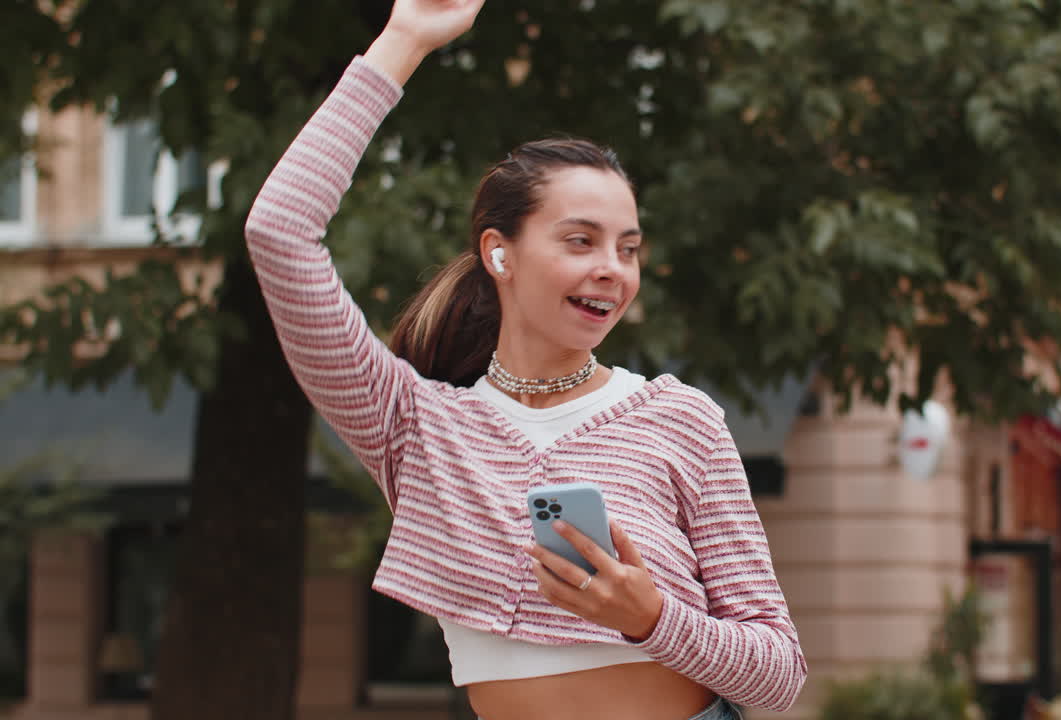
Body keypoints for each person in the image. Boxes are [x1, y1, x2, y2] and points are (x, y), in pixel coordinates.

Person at [243, 1, 807, 719]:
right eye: (580, 241)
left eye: (627, 248)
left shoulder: (679, 420)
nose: (613, 269)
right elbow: (279, 233)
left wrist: (652, 617)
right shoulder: (414, 426)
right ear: (498, 252)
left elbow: (778, 677)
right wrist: (404, 40)